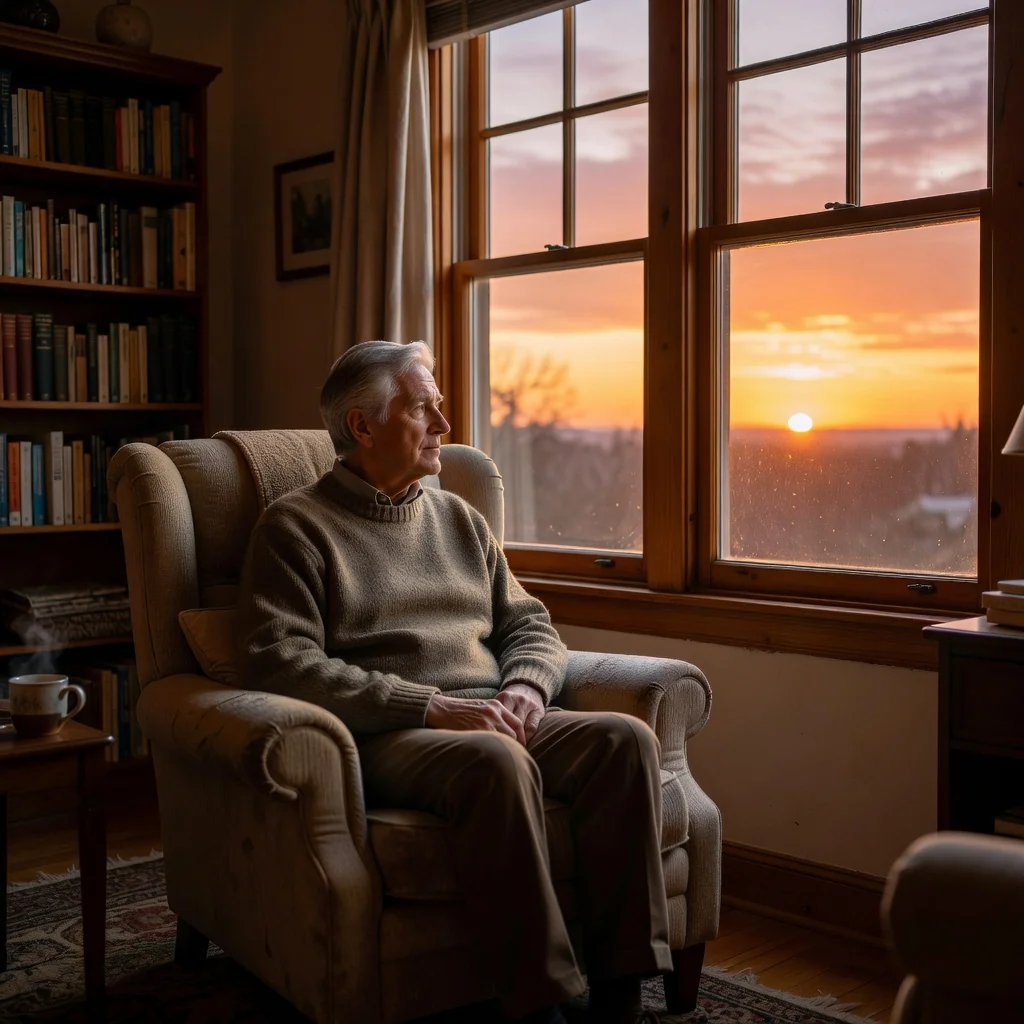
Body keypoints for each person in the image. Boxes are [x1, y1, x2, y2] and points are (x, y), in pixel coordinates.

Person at [238, 340, 669, 1024]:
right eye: (425, 409)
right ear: (363, 426)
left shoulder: (459, 519)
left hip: (490, 712)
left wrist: (526, 687)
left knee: (625, 740)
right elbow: (280, 662)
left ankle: (622, 989)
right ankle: (542, 1000)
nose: (444, 425)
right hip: (390, 732)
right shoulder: (294, 528)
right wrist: (429, 705)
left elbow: (531, 624)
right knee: (494, 759)